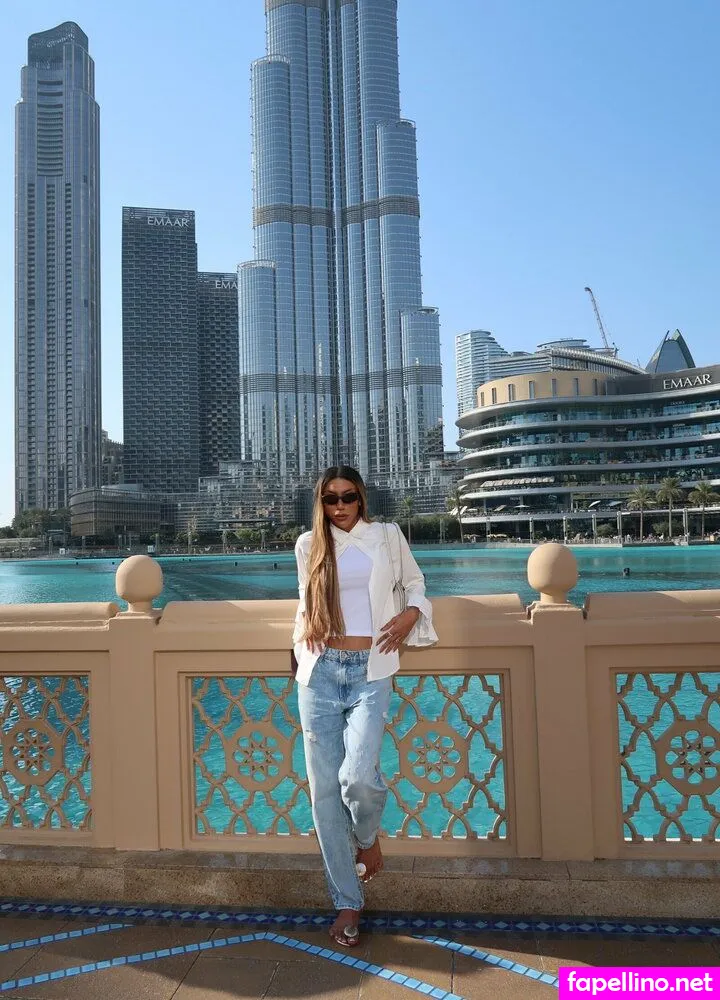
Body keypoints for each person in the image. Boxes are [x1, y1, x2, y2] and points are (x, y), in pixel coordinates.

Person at [293, 466, 437, 948]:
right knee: (324, 794)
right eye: (330, 499)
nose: (340, 507)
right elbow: (304, 605)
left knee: (357, 776)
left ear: (361, 498)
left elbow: (415, 584)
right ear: (321, 502)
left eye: (348, 497)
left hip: (371, 670)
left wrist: (411, 614)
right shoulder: (308, 545)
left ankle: (368, 839)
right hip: (319, 671)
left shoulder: (387, 537)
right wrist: (298, 652)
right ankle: (347, 901)